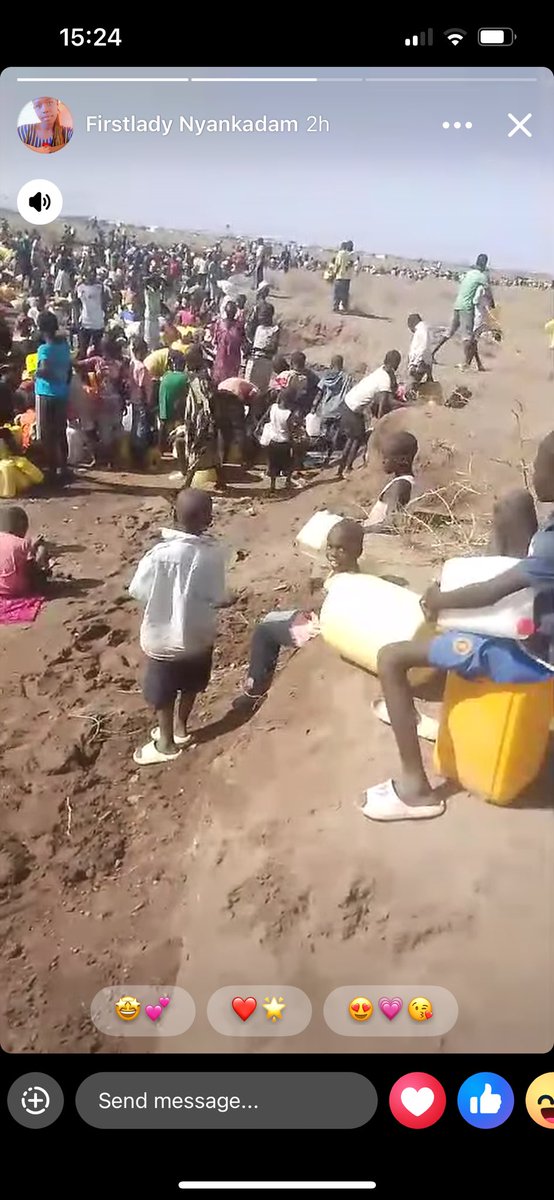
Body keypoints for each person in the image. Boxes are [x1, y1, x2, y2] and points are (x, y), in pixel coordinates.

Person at [363, 432, 554, 823]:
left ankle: (415, 790)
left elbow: (495, 590)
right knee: (514, 504)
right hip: (536, 615)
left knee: (392, 658)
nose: (533, 473)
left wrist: (441, 599)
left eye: (539, 467)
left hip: (531, 650)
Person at [129, 489, 231, 766]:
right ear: (209, 519)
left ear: (173, 515)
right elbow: (220, 597)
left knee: (163, 692)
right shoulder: (213, 555)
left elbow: (139, 590)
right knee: (190, 686)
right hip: (198, 637)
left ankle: (165, 743)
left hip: (163, 639)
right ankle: (181, 729)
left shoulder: (158, 555)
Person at [234, 519, 363, 707]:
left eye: (341, 549)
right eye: (330, 547)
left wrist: (315, 604)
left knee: (264, 632)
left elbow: (330, 613)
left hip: (318, 631)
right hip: (319, 621)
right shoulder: (349, 573)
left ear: (357, 551)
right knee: (271, 618)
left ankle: (255, 691)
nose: (333, 554)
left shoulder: (345, 583)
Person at [336, 350, 401, 479]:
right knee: (357, 439)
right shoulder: (385, 378)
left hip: (348, 403)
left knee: (352, 438)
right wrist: (381, 421)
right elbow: (385, 402)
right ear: (396, 363)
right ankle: (347, 469)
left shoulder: (381, 371)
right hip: (353, 409)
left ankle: (341, 468)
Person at [433, 254, 493, 369]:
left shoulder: (469, 273)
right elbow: (488, 292)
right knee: (468, 337)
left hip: (457, 304)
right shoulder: (481, 277)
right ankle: (466, 363)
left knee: (449, 332)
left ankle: (432, 353)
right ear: (485, 264)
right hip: (467, 307)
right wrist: (492, 304)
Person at [34, 311, 72, 482]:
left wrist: (36, 374)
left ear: (41, 329)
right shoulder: (64, 347)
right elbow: (69, 370)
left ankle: (51, 469)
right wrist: (63, 382)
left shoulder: (44, 349)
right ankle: (64, 467)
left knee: (46, 434)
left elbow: (44, 369)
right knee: (60, 432)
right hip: (62, 393)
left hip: (45, 394)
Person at [363, 431, 418, 531]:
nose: (383, 461)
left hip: (376, 537)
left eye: (386, 458)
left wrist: (362, 530)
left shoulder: (400, 485)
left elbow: (390, 524)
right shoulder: (404, 482)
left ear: (402, 460)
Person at [0, 505, 50, 597]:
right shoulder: (23, 543)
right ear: (22, 527)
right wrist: (41, 558)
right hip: (14, 590)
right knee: (41, 552)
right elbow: (31, 570)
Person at [262, 387, 295, 495]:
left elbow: (265, 418)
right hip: (284, 442)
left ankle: (272, 487)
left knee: (273, 465)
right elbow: (290, 430)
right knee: (289, 463)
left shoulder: (273, 407)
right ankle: (288, 481)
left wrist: (259, 427)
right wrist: (293, 441)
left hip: (272, 441)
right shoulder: (289, 414)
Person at [245, 303, 280, 392]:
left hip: (265, 362)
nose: (261, 318)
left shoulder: (275, 330)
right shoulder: (258, 328)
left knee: (261, 389)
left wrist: (262, 350)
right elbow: (248, 327)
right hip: (254, 361)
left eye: (264, 315)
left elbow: (274, 349)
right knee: (248, 386)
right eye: (260, 315)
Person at [158, 350, 189, 451]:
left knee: (163, 426)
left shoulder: (166, 376)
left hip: (164, 409)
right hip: (177, 411)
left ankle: (160, 448)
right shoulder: (185, 378)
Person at [212, 301, 243, 385]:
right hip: (232, 358)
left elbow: (215, 341)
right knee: (230, 382)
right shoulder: (239, 325)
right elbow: (242, 340)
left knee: (220, 381)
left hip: (222, 357)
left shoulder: (219, 324)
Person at [76, 269, 105, 356]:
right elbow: (76, 305)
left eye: (93, 273)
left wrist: (104, 317)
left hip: (98, 323)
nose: (91, 275)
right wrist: (76, 320)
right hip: (85, 322)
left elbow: (104, 302)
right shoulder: (79, 287)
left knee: (98, 351)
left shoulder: (99, 286)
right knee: (83, 350)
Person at [407, 313, 433, 389]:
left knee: (412, 385)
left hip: (419, 363)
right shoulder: (423, 329)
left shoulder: (421, 331)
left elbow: (423, 348)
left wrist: (416, 363)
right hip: (422, 362)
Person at [332, 240, 354, 313]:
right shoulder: (351, 255)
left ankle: (336, 307)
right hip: (347, 278)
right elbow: (351, 265)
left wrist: (334, 273)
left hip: (339, 276)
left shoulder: (340, 254)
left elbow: (337, 265)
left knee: (337, 292)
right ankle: (345, 308)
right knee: (345, 293)